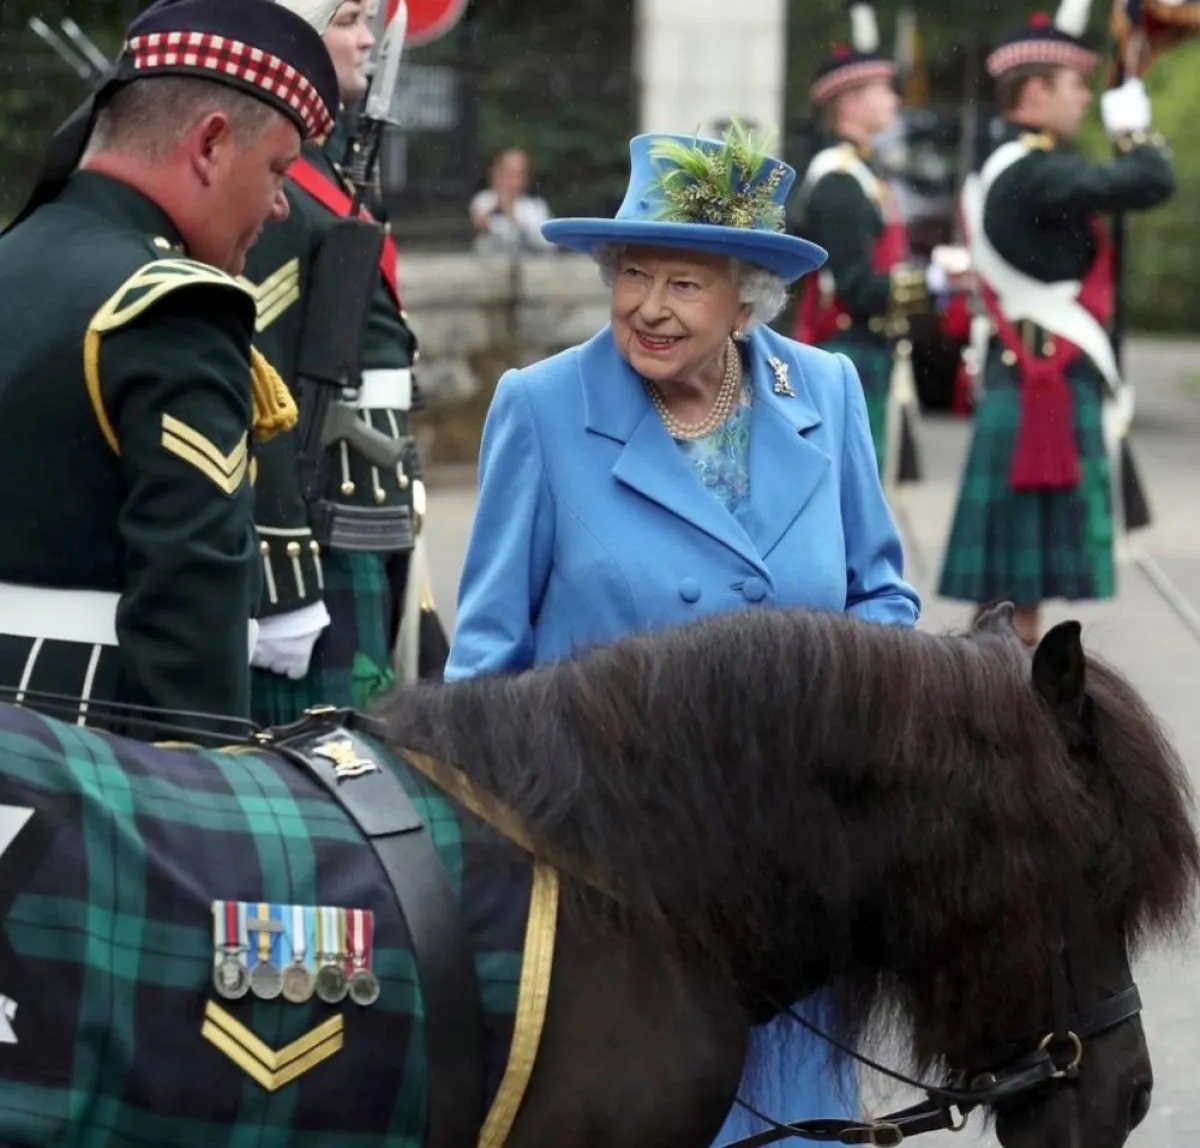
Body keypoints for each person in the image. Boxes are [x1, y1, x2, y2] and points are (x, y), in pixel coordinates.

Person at [445, 124, 920, 1142]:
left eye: (686, 283)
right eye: (634, 273)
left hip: (794, 875)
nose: (650, 307)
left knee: (790, 1125)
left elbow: (883, 602)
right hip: (617, 893)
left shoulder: (825, 393)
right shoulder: (541, 408)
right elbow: (483, 671)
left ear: (747, 294)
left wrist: (852, 747)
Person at [0, 0, 338, 738]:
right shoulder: (173, 308)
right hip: (83, 749)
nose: (282, 205)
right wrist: (202, 789)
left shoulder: (13, 259)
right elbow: (191, 604)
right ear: (211, 144)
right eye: (279, 169)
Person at [938, 0, 1174, 646]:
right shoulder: (1035, 172)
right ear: (1035, 91)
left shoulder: (1016, 167)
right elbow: (1151, 180)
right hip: (1042, 384)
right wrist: (1132, 122)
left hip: (1037, 377)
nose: (1084, 99)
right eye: (1075, 85)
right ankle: (1009, 704)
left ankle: (1003, 698)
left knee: (1017, 583)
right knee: (1016, 587)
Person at [243, 0, 441, 725]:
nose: (367, 39)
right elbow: (255, 375)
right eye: (349, 18)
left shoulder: (325, 163)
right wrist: (281, 568)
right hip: (319, 512)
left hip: (371, 502)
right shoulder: (275, 187)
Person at [792, 1, 949, 481]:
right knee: (849, 491)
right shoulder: (839, 181)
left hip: (865, 346)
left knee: (863, 487)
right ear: (849, 103)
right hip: (846, 346)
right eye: (882, 90)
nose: (895, 101)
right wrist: (933, 281)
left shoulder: (859, 173)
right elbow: (856, 287)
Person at [468, 148, 556, 254]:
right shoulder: (484, 199)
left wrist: (511, 214)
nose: (513, 180)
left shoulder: (536, 207)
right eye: (508, 173)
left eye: (518, 174)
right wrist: (497, 207)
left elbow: (547, 244)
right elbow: (479, 225)